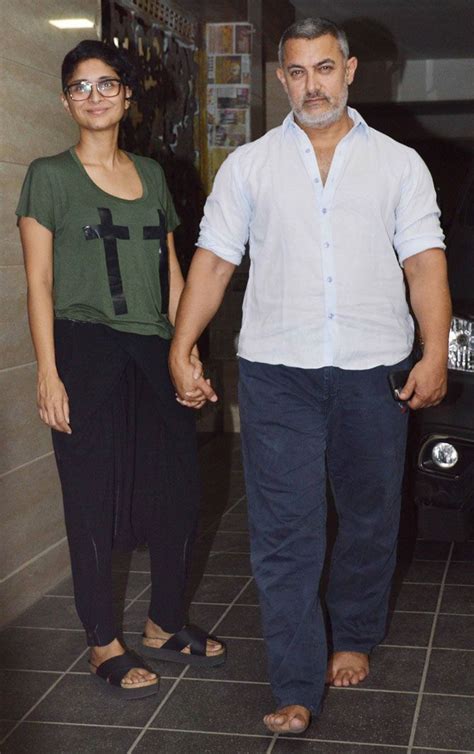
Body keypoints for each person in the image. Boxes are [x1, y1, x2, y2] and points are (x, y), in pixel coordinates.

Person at [169, 17, 451, 734]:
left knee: (367, 513)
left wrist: (433, 349)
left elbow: (424, 264)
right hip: (277, 373)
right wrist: (183, 344)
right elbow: (213, 261)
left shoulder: (399, 165)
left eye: (323, 69)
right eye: (295, 72)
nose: (310, 86)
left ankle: (353, 632)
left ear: (350, 70)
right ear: (280, 78)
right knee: (284, 529)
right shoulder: (249, 165)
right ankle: (295, 681)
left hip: (372, 371)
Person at [16, 39, 225, 700]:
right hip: (84, 345)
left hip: (151, 348)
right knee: (92, 499)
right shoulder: (48, 176)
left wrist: (185, 352)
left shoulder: (153, 176)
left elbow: (172, 272)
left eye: (107, 84)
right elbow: (39, 282)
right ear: (66, 100)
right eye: (81, 86)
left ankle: (164, 623)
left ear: (127, 97)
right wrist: (48, 374)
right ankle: (101, 639)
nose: (95, 96)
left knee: (179, 491)